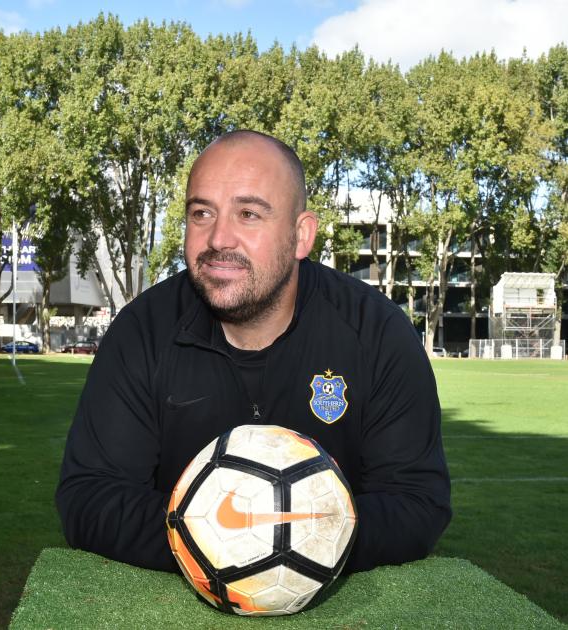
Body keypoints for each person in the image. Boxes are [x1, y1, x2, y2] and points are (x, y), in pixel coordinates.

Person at [56, 130, 451, 573]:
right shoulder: (141, 333)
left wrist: (290, 540)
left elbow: (417, 502)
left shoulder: (377, 334)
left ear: (301, 235)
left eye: (248, 214)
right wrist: (222, 539)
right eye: (202, 212)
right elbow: (89, 496)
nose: (220, 238)